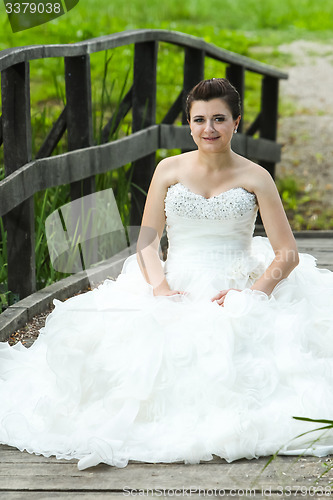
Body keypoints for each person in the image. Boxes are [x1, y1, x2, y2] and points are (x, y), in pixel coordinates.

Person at [0, 78, 333, 471]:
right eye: (199, 119)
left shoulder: (256, 176)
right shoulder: (168, 169)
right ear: (189, 125)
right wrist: (159, 287)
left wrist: (254, 294)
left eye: (219, 119)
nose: (209, 129)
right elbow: (146, 243)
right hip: (174, 279)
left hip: (237, 280)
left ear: (237, 122)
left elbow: (288, 253)